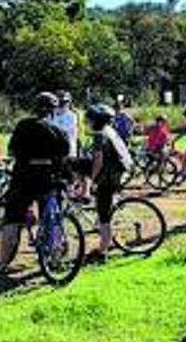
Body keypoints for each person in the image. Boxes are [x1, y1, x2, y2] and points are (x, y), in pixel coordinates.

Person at [0, 92, 70, 269]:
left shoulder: (23, 126)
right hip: (48, 179)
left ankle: (2, 263)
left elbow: (12, 151)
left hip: (23, 177)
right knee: (53, 218)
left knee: (12, 220)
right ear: (53, 111)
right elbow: (64, 157)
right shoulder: (58, 132)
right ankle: (55, 258)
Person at [85, 103, 133, 263]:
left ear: (96, 121)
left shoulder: (99, 135)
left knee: (104, 216)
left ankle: (102, 251)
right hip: (116, 175)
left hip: (108, 178)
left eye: (89, 119)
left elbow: (97, 161)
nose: (88, 122)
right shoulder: (110, 131)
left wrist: (92, 180)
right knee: (105, 213)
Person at [52, 90, 79, 158]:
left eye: (65, 102)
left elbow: (62, 133)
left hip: (67, 152)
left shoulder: (72, 116)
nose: (62, 104)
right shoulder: (50, 115)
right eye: (60, 102)